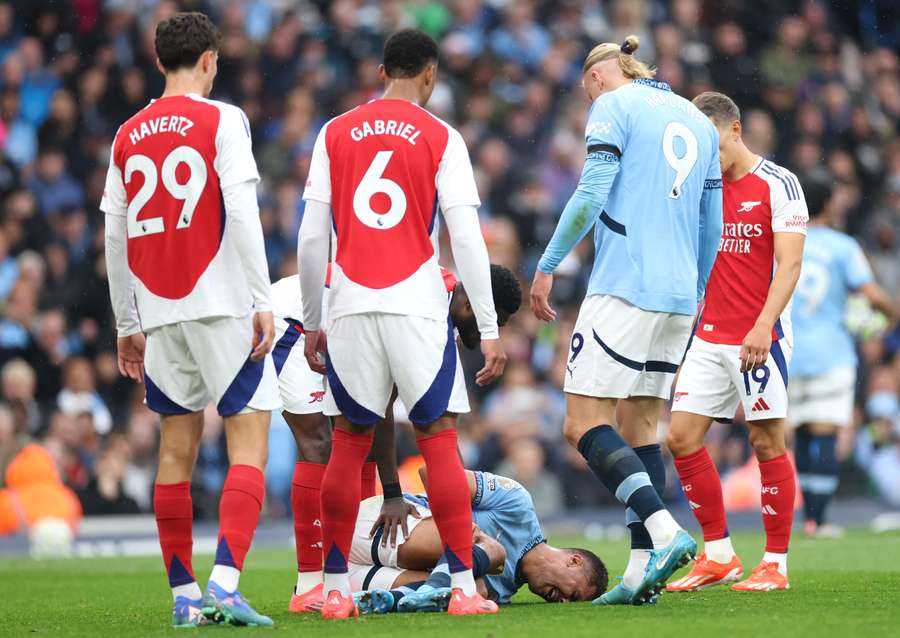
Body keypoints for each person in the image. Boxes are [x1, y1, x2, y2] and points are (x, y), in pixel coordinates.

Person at [298, 28, 506, 619]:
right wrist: (487, 326)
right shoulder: (442, 135)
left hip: (351, 302)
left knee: (348, 442)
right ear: (430, 75)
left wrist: (315, 318)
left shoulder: (333, 132)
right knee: (437, 435)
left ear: (381, 70)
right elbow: (464, 236)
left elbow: (312, 237)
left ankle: (335, 591)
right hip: (416, 299)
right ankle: (464, 588)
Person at [529, 35, 722, 605]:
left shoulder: (612, 105)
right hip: (679, 296)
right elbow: (711, 225)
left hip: (625, 285)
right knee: (642, 429)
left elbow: (591, 193)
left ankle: (664, 532)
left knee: (580, 422)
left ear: (596, 78)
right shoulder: (697, 119)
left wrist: (547, 266)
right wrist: (698, 289)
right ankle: (640, 574)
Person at [100, 12, 279, 627]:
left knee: (175, 450)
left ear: (158, 63)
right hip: (222, 302)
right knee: (248, 439)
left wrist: (126, 321)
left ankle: (183, 597)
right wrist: (262, 297)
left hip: (159, 309)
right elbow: (242, 210)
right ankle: (226, 583)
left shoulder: (127, 133)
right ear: (210, 60)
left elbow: (115, 234)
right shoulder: (223, 119)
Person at [273, 263, 522, 613]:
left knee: (356, 436)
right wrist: (391, 494)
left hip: (343, 326)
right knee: (321, 443)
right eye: (495, 323)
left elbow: (441, 438)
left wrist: (462, 523)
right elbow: (385, 402)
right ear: (471, 306)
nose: (494, 335)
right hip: (294, 320)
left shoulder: (440, 318)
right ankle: (311, 584)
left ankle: (341, 570)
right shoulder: (425, 312)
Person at [666, 91, 808, 593]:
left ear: (735, 130)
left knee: (766, 440)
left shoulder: (780, 184)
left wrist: (763, 324)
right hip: (709, 334)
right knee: (680, 438)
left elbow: (790, 265)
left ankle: (775, 564)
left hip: (760, 336)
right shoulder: (703, 187)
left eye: (712, 144)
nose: (708, 156)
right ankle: (719, 554)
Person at [789, 180, 897, 537]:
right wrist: (892, 314)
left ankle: (808, 517)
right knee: (824, 433)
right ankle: (818, 520)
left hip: (789, 352)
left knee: (801, 433)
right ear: (830, 204)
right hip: (831, 353)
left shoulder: (785, 242)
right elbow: (870, 293)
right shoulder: (843, 246)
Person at [346, 468, 608, 611]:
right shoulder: (518, 503)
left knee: (479, 590)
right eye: (573, 595)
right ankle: (428, 591)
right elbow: (432, 473)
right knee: (491, 552)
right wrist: (464, 532)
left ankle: (393, 599)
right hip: (386, 523)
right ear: (574, 561)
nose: (563, 602)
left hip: (364, 572)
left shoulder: (502, 593)